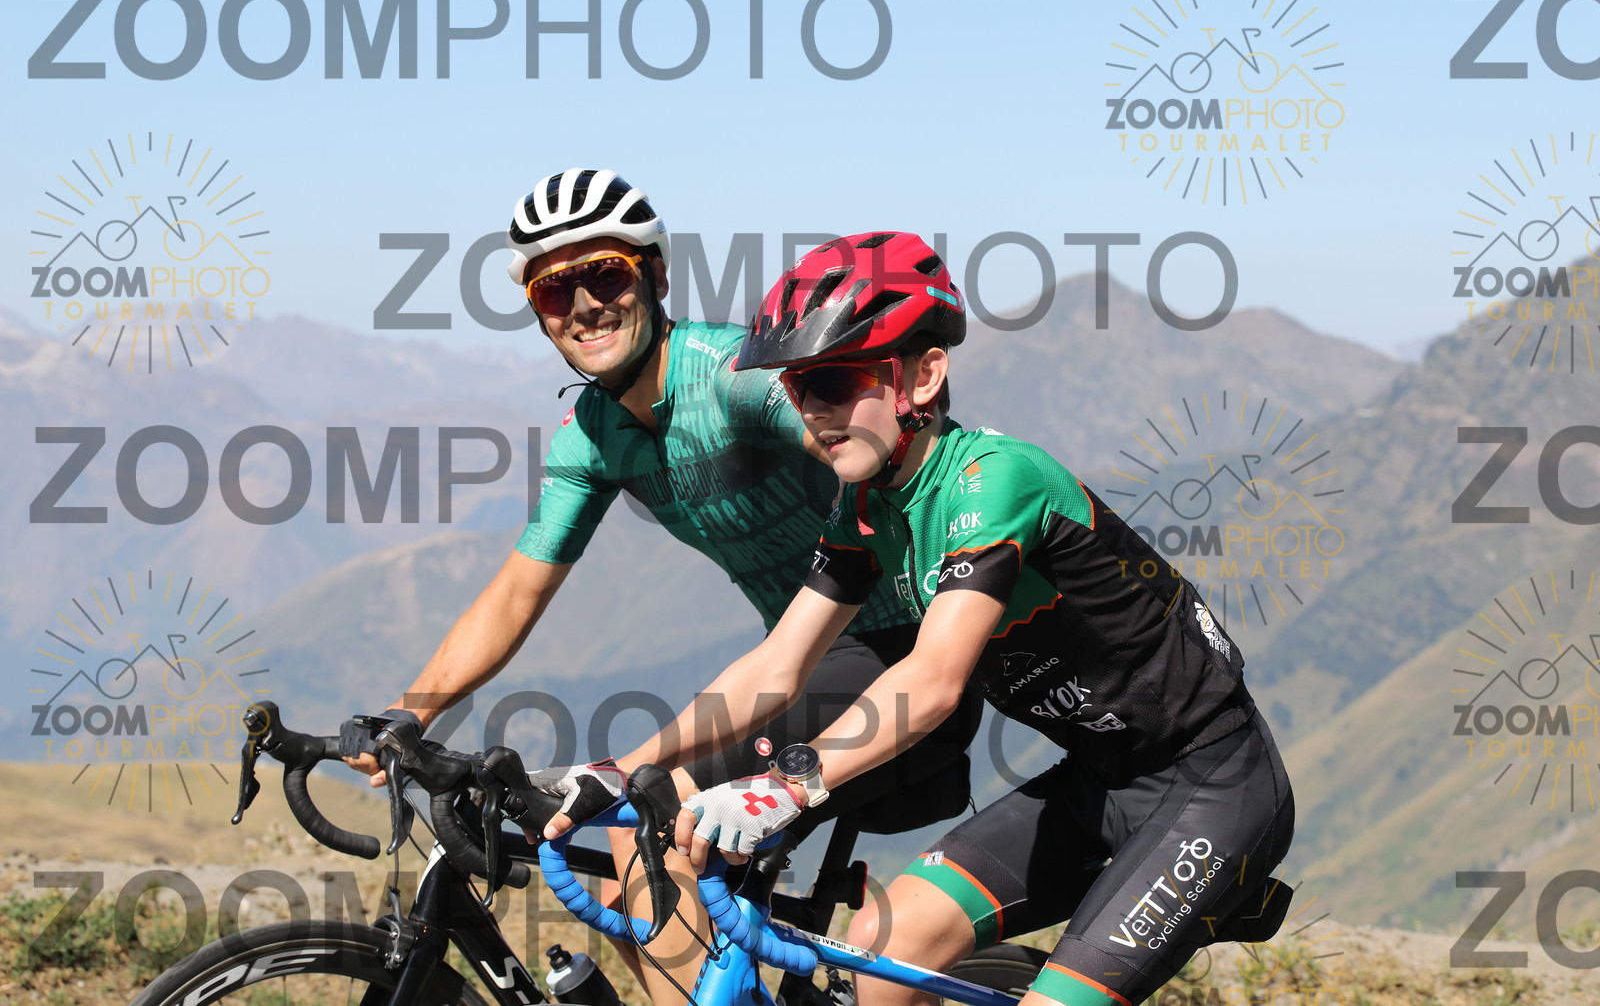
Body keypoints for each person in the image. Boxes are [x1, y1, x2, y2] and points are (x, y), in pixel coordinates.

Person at [544, 231, 1295, 1006]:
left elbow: (932, 682)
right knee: (877, 947)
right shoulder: (867, 506)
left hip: (1215, 785)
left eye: (833, 381)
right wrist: (623, 768)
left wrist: (786, 786)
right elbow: (777, 665)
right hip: (1097, 782)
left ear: (924, 375)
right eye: (798, 389)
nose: (814, 411)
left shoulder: (996, 481)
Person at [342, 177, 980, 1004]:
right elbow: (516, 592)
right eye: (554, 290)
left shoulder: (735, 378)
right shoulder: (595, 436)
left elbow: (884, 437)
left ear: (655, 277)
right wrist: (414, 708)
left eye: (605, 274)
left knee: (641, 819)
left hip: (901, 657)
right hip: (802, 667)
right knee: (611, 858)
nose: (584, 304)